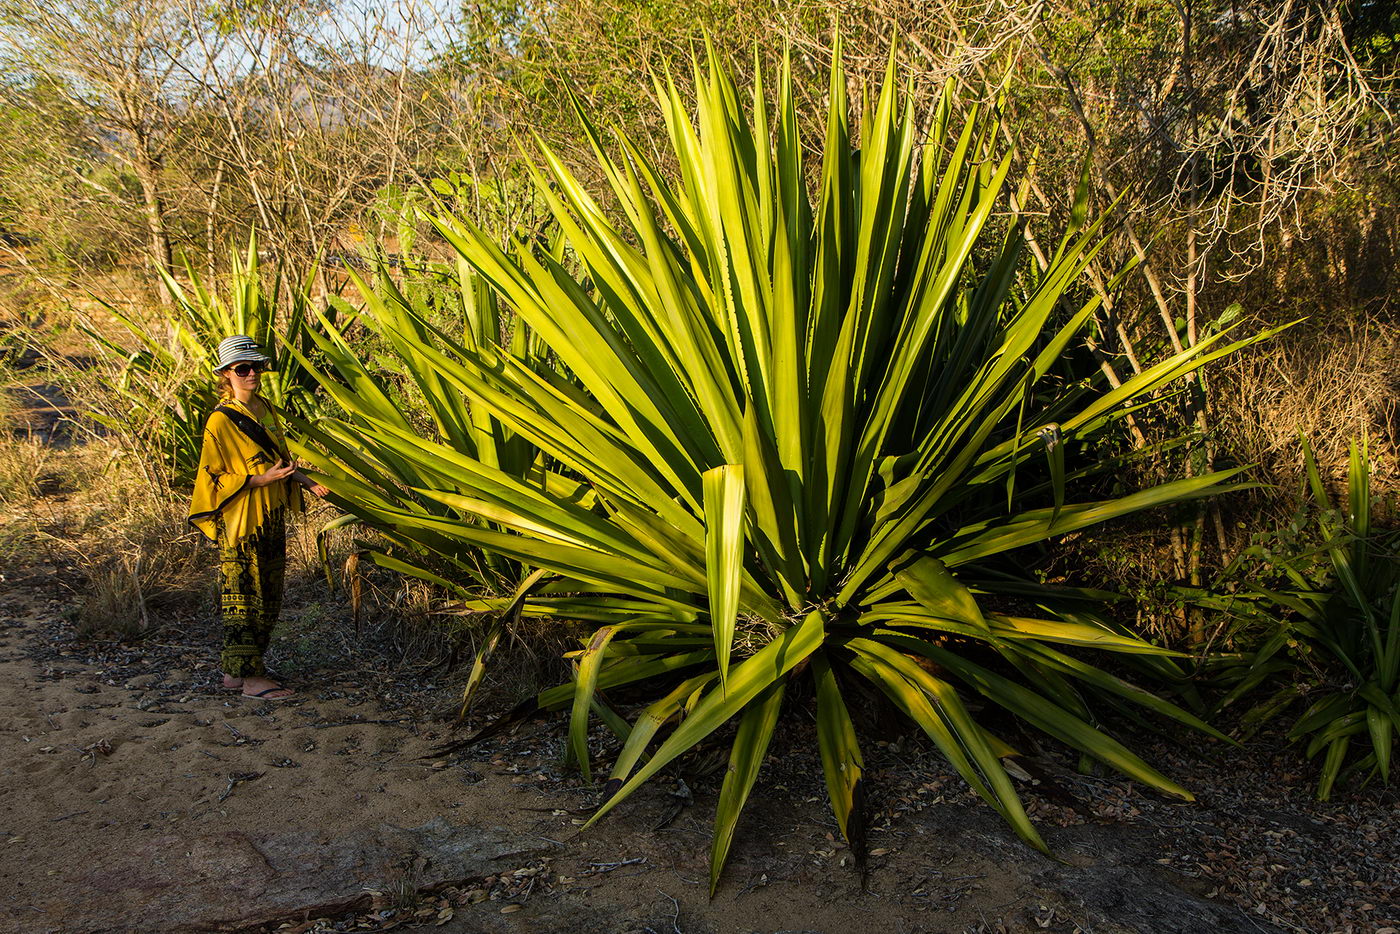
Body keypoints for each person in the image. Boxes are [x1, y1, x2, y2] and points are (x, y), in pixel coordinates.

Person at [188, 335, 329, 700]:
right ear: (226, 375)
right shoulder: (220, 421)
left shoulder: (266, 408)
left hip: (271, 513)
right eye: (242, 368)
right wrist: (258, 480)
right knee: (244, 598)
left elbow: (279, 459)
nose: (252, 374)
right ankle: (252, 681)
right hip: (241, 521)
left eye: (256, 366)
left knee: (268, 594)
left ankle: (235, 672)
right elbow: (210, 478)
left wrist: (307, 482)